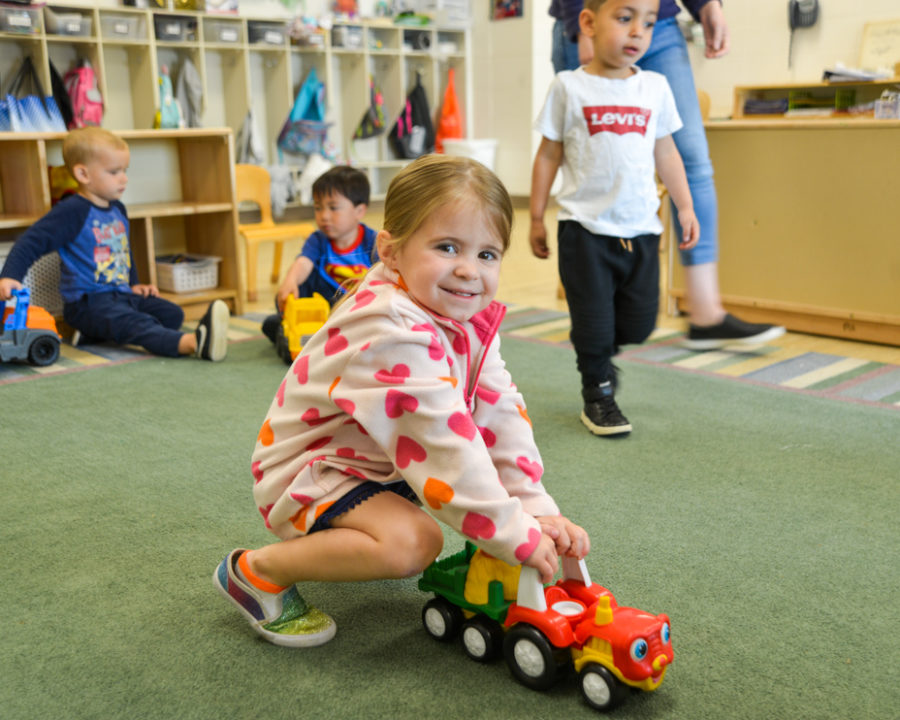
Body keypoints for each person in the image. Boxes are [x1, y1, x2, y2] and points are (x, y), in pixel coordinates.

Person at [214, 154, 590, 647]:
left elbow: (498, 413)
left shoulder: (465, 317)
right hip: (307, 471)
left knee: (440, 510)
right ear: (390, 251)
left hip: (377, 461)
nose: (467, 271)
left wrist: (535, 507)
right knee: (414, 543)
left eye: (487, 254)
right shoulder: (390, 329)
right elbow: (445, 444)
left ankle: (357, 525)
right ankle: (255, 572)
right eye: (447, 246)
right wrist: (512, 532)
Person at [548, 0, 785, 350]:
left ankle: (706, 315)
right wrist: (579, 23)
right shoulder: (588, 26)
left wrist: (706, 6)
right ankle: (597, 316)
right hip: (591, 17)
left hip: (659, 27)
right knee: (595, 159)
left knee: (692, 160)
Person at [531, 0, 698, 438]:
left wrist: (684, 206)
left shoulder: (655, 87)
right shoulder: (569, 87)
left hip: (641, 228)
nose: (637, 33)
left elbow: (667, 151)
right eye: (624, 19)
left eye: (647, 22)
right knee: (593, 323)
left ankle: (600, 352)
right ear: (588, 22)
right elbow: (549, 153)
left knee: (641, 324)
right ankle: (599, 393)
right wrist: (534, 215)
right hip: (583, 227)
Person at [0, 127, 229, 361]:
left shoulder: (117, 209)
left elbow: (123, 251)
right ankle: (191, 342)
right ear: (83, 174)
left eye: (125, 170)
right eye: (114, 172)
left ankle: (94, 334)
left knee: (171, 314)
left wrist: (134, 284)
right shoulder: (72, 212)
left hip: (120, 295)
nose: (124, 178)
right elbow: (30, 242)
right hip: (87, 304)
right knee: (136, 323)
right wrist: (10, 276)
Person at [261, 165, 377, 343]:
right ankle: (298, 331)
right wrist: (290, 282)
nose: (324, 216)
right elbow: (303, 262)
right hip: (321, 306)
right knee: (275, 316)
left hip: (359, 308)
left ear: (359, 211)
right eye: (318, 208)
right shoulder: (318, 240)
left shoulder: (372, 242)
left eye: (333, 208)